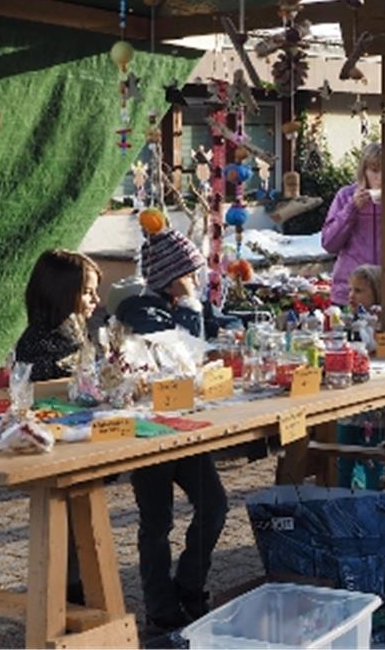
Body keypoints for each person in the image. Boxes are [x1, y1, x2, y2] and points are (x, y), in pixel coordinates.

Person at [115, 229, 229, 646]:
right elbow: (184, 351)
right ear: (173, 275)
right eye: (191, 272)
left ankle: (189, 583)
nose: (198, 278)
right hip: (150, 431)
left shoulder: (183, 303)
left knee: (214, 505)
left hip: (185, 428)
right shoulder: (141, 309)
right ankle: (160, 612)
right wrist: (190, 305)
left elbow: (213, 335)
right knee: (157, 523)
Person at [321, 143, 385, 306]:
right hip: (351, 291)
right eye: (374, 171)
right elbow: (329, 243)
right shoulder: (346, 195)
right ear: (364, 171)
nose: (380, 178)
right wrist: (352, 209)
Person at [15, 249, 103, 379]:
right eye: (87, 292)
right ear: (61, 293)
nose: (97, 299)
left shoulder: (73, 324)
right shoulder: (38, 346)